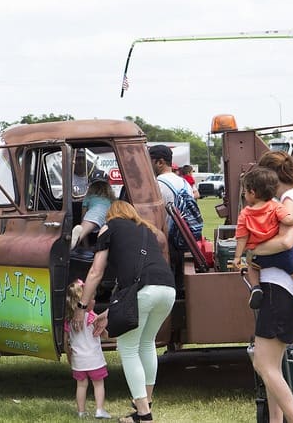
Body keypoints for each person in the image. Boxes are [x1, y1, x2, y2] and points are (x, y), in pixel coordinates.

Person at [72, 200, 176, 423]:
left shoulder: (109, 228)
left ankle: (143, 415)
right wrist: (110, 312)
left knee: (128, 348)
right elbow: (136, 278)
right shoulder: (147, 230)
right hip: (167, 289)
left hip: (144, 291)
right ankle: (146, 403)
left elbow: (96, 272)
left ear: (111, 215)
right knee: (147, 343)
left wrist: (82, 306)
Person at [250, 151, 293, 423]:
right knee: (273, 367)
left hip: (280, 288)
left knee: (263, 364)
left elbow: (286, 242)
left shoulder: (289, 201)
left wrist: (251, 251)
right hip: (292, 290)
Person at [233, 167, 293, 329]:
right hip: (283, 255)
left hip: (260, 257)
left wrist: (237, 257)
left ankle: (256, 288)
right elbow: (288, 220)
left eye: (244, 191)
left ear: (252, 192)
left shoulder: (245, 214)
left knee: (251, 266)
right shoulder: (275, 206)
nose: (244, 194)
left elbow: (241, 238)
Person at [149, 144, 196, 294]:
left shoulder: (158, 185)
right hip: (183, 240)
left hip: (165, 242)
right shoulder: (184, 183)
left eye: (150, 161)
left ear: (160, 162)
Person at [63, 280, 111, 419]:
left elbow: (66, 341)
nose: (95, 301)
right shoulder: (91, 317)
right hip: (94, 359)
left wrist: (69, 355)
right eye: (92, 298)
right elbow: (105, 335)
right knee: (98, 384)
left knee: (81, 386)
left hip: (78, 361)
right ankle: (100, 410)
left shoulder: (69, 321)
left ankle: (81, 412)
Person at [71, 178, 115, 249]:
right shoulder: (111, 199)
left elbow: (83, 215)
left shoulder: (88, 197)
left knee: (81, 232)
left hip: (93, 214)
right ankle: (102, 249)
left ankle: (74, 244)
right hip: (107, 216)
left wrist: (86, 247)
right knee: (106, 236)